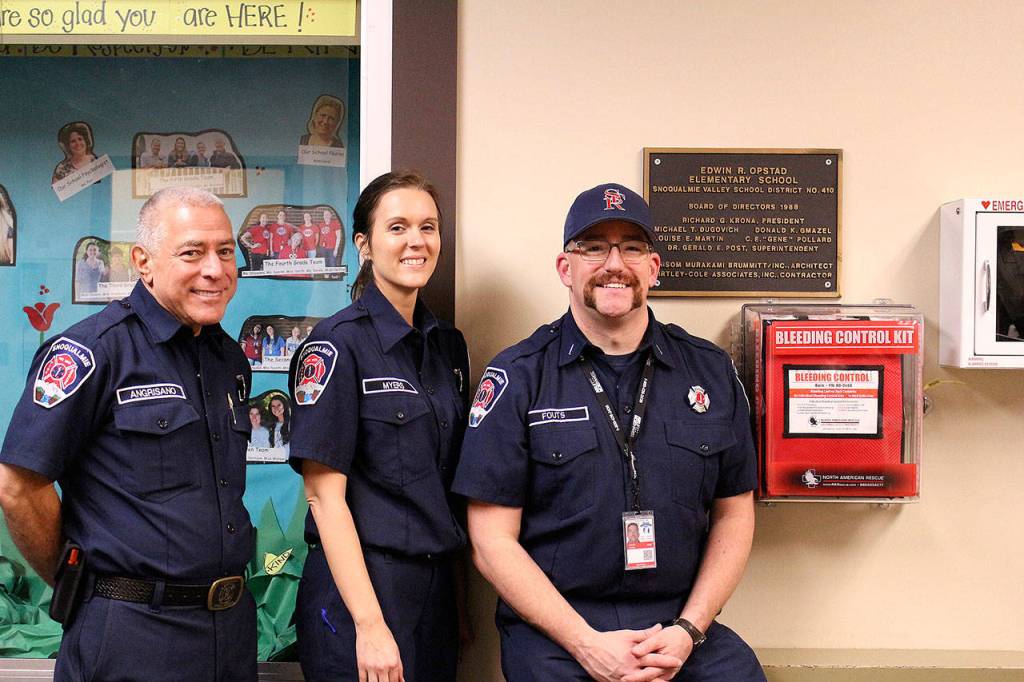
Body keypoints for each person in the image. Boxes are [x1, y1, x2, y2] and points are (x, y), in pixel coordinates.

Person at [453, 183, 764, 681]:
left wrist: (688, 630)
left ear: (653, 268)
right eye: (594, 247)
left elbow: (734, 513)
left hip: (678, 626)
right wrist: (586, 644)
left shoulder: (709, 372)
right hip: (558, 630)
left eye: (632, 248)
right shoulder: (518, 377)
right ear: (565, 267)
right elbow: (491, 538)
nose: (614, 263)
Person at [0, 186, 256, 681]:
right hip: (131, 634)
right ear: (143, 261)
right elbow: (18, 487)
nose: (215, 269)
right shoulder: (92, 352)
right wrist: (80, 583)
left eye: (225, 251)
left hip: (229, 631)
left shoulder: (229, 359)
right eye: (192, 252)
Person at [288, 170, 469, 681]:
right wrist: (369, 624)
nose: (417, 241)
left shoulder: (448, 348)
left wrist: (456, 603)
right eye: (398, 227)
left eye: (428, 227)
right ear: (364, 244)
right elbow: (325, 498)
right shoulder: (336, 346)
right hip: (362, 588)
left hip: (433, 590)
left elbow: (445, 485)